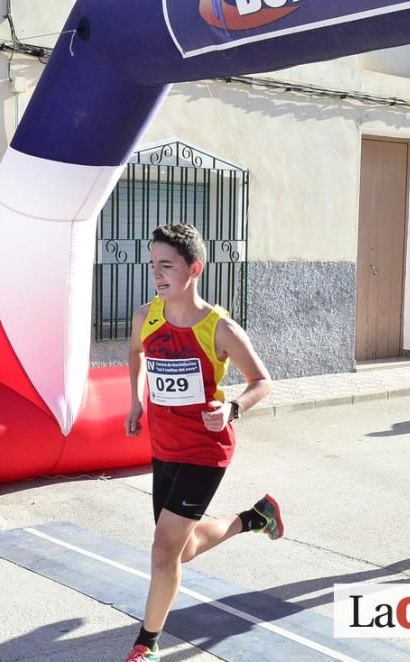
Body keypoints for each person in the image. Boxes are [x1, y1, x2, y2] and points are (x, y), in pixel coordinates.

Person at [122, 223, 280, 662]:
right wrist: (135, 399)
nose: (157, 274)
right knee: (181, 549)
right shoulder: (145, 316)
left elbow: (262, 381)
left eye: (167, 265)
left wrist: (232, 409)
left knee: (162, 551)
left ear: (195, 268)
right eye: (153, 265)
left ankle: (146, 643)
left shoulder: (221, 329)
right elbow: (135, 353)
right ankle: (256, 517)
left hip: (205, 451)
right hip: (164, 447)